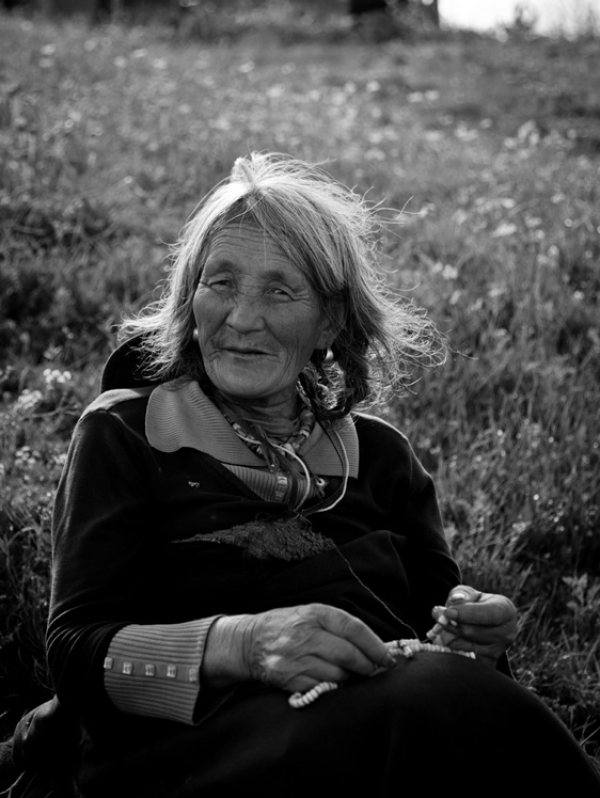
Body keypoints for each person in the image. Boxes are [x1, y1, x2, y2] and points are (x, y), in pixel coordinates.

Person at [4, 153, 600, 798]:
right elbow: (75, 653)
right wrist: (246, 645)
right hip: (190, 755)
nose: (241, 317)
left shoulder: (382, 459)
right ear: (189, 299)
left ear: (330, 321)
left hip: (387, 734)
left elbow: (444, 641)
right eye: (220, 282)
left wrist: (476, 638)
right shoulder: (127, 433)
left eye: (280, 291)